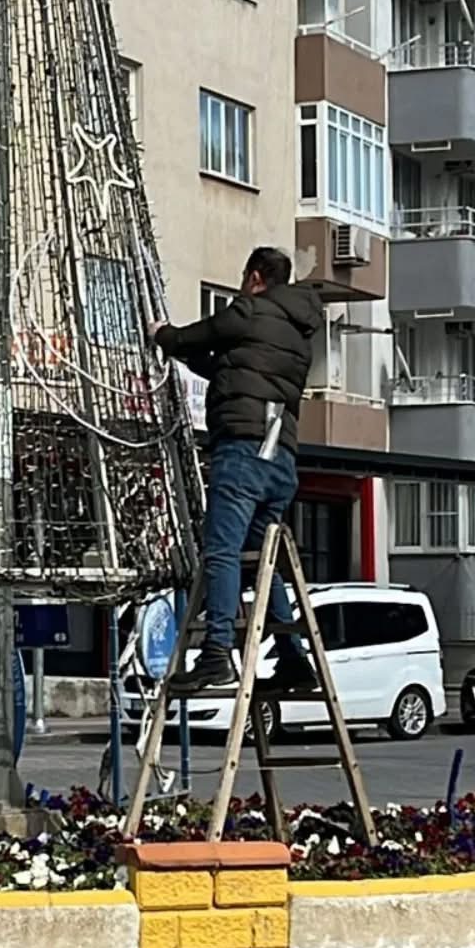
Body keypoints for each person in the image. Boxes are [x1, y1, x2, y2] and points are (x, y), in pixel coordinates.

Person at [149, 246, 321, 696]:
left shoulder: (249, 311)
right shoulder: (299, 334)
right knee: (264, 564)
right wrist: (186, 356)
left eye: (245, 277)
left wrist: (164, 336)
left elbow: (200, 335)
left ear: (256, 277)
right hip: (280, 457)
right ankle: (293, 659)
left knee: (223, 552)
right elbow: (229, 366)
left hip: (242, 451)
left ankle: (215, 655)